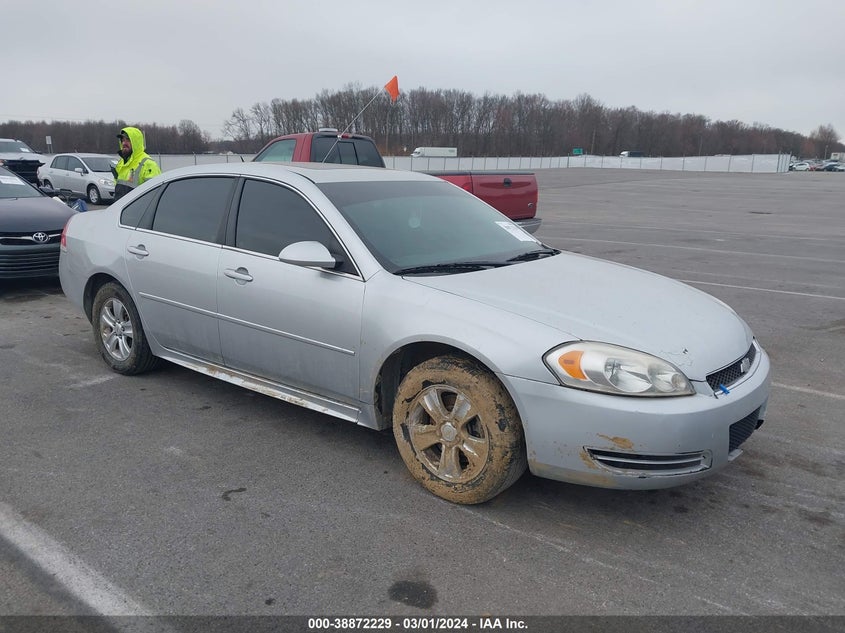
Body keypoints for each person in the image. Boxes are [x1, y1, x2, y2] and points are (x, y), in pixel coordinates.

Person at [112, 126, 161, 201]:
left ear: (136, 142)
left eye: (128, 140)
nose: (124, 143)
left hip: (139, 211)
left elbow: (155, 194)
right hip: (120, 209)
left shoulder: (148, 164)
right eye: (122, 140)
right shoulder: (121, 163)